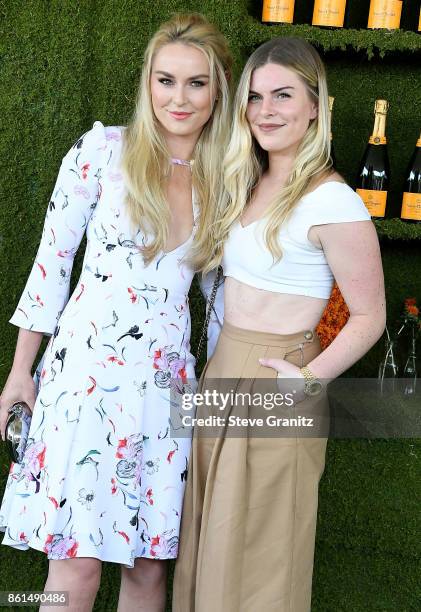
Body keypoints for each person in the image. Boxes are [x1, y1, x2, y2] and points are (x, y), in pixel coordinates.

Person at [0, 13, 231, 612]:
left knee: (150, 568)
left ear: (218, 91)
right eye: (165, 80)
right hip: (85, 377)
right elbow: (50, 266)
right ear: (147, 83)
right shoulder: (102, 152)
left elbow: (222, 300)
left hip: (167, 387)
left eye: (196, 83)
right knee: (73, 567)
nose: (178, 98)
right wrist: (20, 371)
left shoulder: (227, 179)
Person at [173, 37, 386, 612]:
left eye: (284, 95)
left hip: (280, 376)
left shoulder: (333, 201)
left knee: (263, 555)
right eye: (255, 97)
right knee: (208, 546)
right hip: (225, 372)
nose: (266, 110)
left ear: (316, 106)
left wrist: (309, 378)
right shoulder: (251, 183)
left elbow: (370, 315)